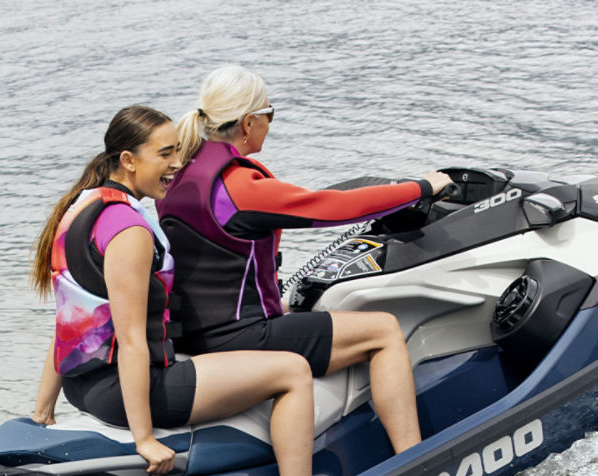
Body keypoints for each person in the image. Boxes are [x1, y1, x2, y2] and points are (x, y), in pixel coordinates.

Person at [31, 105, 315, 476]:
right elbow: (130, 343)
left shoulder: (79, 206)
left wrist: (42, 411)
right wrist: (145, 438)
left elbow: (71, 323)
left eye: (177, 152)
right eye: (165, 154)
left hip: (82, 387)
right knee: (293, 371)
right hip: (126, 389)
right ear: (128, 161)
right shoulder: (129, 229)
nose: (177, 164)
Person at [157, 65, 452, 455]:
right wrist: (422, 187)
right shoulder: (239, 186)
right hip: (240, 337)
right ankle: (413, 460)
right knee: (383, 331)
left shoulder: (177, 177)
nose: (269, 124)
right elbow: (332, 208)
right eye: (269, 115)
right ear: (247, 123)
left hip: (194, 334)